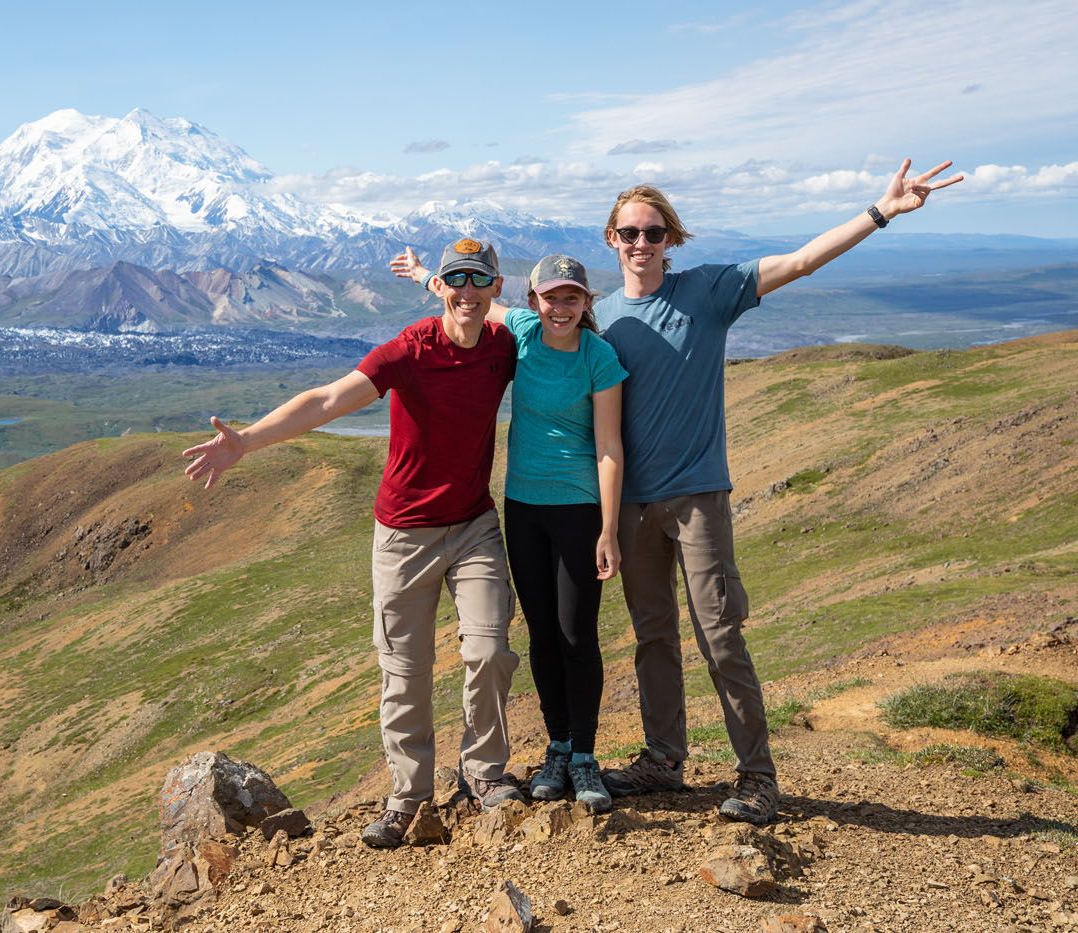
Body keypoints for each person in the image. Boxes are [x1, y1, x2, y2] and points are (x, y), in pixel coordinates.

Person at [596, 158, 964, 825]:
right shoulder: (601, 315)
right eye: (629, 233)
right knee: (652, 635)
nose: (641, 243)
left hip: (697, 498)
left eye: (653, 232)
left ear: (670, 240)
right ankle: (662, 759)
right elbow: (528, 321)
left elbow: (800, 262)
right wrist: (438, 286)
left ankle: (758, 777)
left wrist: (881, 212)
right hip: (631, 507)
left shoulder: (707, 291)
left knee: (721, 637)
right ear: (611, 240)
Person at [183, 237, 525, 849]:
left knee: (490, 649)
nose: (467, 291)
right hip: (404, 533)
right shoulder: (410, 350)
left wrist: (425, 274)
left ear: (497, 286)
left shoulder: (504, 343)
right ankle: (410, 796)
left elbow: (544, 333)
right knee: (404, 668)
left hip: (474, 524)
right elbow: (327, 400)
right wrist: (248, 441)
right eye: (456, 280)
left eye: (480, 279)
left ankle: (483, 774)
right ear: (443, 288)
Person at [392, 249, 628, 812]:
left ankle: (586, 759)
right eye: (551, 298)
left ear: (585, 302)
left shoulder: (600, 357)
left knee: (577, 635)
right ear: (533, 301)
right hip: (521, 508)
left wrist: (609, 529)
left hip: (578, 511)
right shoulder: (521, 329)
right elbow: (467, 299)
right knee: (541, 634)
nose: (560, 308)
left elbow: (609, 447)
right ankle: (558, 746)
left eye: (572, 297)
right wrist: (425, 272)